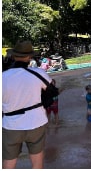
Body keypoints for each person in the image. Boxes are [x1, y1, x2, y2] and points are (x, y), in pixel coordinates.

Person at [2, 41, 52, 169]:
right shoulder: (39, 74)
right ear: (30, 58)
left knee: (9, 162)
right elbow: (52, 93)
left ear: (13, 56)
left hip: (10, 125)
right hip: (36, 122)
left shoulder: (3, 77)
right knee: (37, 162)